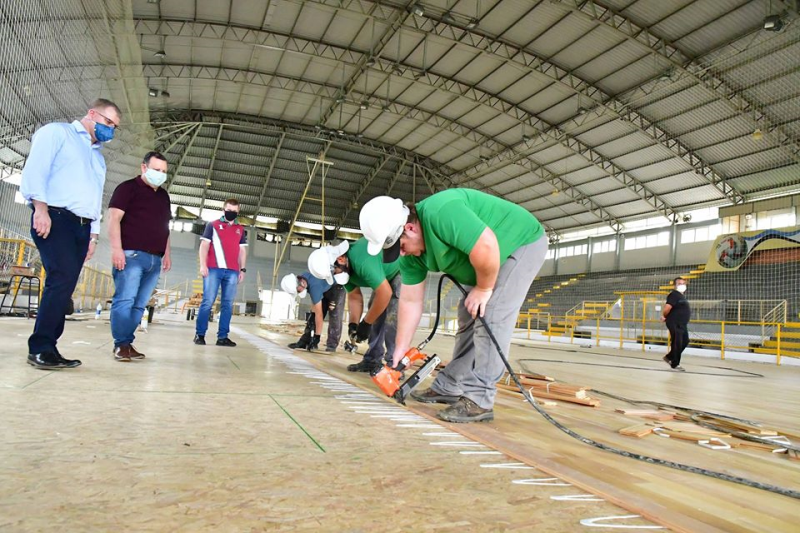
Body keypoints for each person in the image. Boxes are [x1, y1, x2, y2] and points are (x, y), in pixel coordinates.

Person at [360, 190, 547, 423]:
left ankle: (479, 399)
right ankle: (449, 386)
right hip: (484, 259)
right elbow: (410, 301)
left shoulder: (441, 212)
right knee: (468, 314)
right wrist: (400, 349)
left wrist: (484, 289)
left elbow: (487, 246)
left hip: (519, 243)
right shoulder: (410, 254)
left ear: (409, 228)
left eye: (400, 246)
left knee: (490, 315)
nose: (401, 253)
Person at [20, 98, 121, 369]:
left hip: (82, 226)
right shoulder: (58, 133)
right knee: (60, 278)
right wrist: (39, 208)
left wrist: (94, 235)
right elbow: (35, 170)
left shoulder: (98, 159)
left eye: (115, 126)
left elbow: (95, 198)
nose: (110, 129)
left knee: (64, 285)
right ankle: (40, 347)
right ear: (92, 113)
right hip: (55, 217)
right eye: (108, 122)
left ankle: (49, 347)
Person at [107, 151, 172, 362]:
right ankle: (120, 344)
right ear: (144, 167)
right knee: (124, 300)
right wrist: (117, 249)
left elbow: (165, 227)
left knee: (139, 304)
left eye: (164, 171)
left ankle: (127, 342)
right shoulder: (127, 188)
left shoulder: (163, 196)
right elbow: (114, 219)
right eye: (156, 170)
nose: (160, 174)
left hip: (155, 259)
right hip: (131, 255)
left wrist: (167, 253)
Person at [307, 239, 401, 373]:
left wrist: (366, 323)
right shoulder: (344, 269)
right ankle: (372, 360)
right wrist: (354, 324)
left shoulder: (361, 261)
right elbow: (355, 297)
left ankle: (395, 365)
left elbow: (385, 293)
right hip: (384, 273)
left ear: (340, 259)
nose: (335, 276)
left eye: (334, 273)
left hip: (400, 269)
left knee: (392, 317)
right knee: (374, 311)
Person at [193, 199, 247, 347]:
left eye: (235, 212)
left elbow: (242, 250)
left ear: (238, 212)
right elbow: (204, 246)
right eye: (229, 210)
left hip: (232, 271)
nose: (231, 213)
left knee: (228, 305)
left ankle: (222, 337)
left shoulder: (240, 229)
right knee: (208, 302)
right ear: (224, 210)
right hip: (213, 269)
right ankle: (200, 334)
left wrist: (242, 269)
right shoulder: (213, 225)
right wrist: (203, 265)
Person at [280, 272, 345, 351]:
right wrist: (312, 317)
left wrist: (316, 338)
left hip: (336, 288)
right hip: (324, 288)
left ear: (301, 283)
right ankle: (305, 341)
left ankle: (331, 346)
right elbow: (314, 304)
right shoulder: (303, 277)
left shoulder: (314, 287)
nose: (298, 292)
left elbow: (319, 315)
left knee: (335, 316)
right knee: (313, 317)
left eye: (298, 291)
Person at [660, 277, 690, 371]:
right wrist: (665, 316)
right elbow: (667, 308)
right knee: (677, 342)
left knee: (685, 341)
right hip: (675, 323)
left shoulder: (681, 296)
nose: (682, 285)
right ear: (675, 285)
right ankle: (675, 363)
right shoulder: (674, 295)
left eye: (683, 283)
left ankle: (669, 357)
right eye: (679, 283)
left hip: (682, 324)